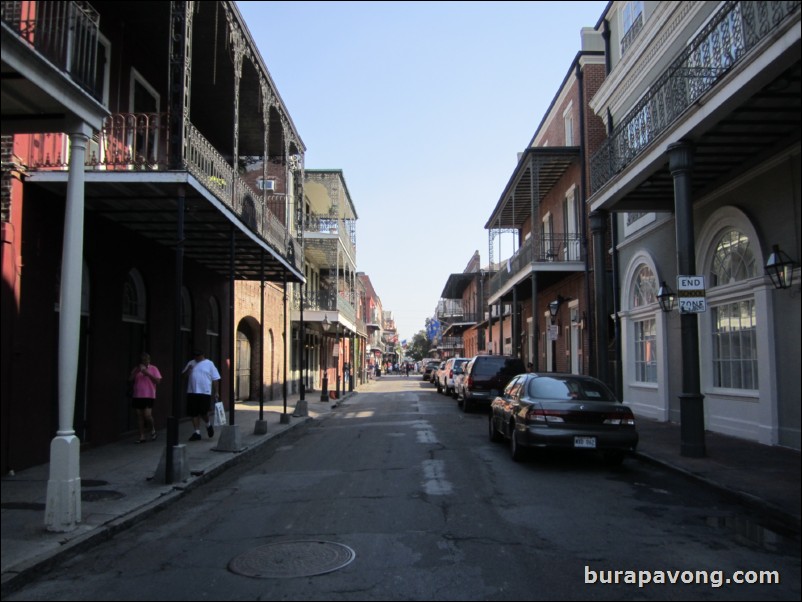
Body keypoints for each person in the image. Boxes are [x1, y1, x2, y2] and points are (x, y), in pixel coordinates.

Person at [183, 349, 221, 441]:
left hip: (205, 391)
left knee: (203, 412)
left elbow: (215, 378)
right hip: (192, 391)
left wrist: (216, 392)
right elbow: (183, 376)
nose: (196, 357)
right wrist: (188, 370)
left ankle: (208, 425)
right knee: (193, 413)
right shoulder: (191, 363)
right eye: (195, 356)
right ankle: (197, 432)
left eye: (198, 355)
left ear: (203, 355)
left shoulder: (209, 364)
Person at [129, 352, 162, 443]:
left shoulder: (153, 368)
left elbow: (158, 381)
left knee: (147, 415)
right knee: (139, 415)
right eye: (143, 360)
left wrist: (147, 374)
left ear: (149, 360)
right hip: (137, 395)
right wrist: (136, 371)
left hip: (149, 395)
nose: (145, 362)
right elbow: (130, 379)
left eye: (146, 360)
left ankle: (152, 429)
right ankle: (142, 436)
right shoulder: (137, 369)